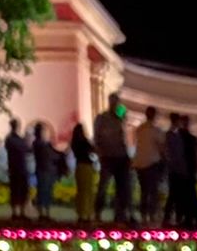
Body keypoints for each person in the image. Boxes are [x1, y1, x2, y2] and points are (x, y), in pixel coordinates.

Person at [92, 94, 132, 224]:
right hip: (108, 157)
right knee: (103, 187)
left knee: (122, 188)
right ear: (109, 102)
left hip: (121, 156)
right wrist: (100, 153)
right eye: (114, 102)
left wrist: (122, 116)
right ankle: (97, 212)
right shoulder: (102, 118)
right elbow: (97, 137)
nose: (116, 104)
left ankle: (120, 214)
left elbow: (124, 136)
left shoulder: (120, 118)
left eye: (117, 102)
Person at [133, 105, 166, 225]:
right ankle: (152, 216)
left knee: (144, 191)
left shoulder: (140, 129)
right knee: (153, 191)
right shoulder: (156, 131)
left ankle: (144, 216)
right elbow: (162, 147)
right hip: (152, 163)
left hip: (139, 163)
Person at [165, 113, 197, 226]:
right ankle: (179, 218)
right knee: (177, 195)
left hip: (182, 170)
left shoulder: (177, 136)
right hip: (180, 171)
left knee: (177, 195)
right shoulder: (176, 136)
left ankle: (179, 217)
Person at [32, 122, 65, 221]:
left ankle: (44, 212)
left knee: (45, 191)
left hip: (44, 169)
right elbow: (49, 155)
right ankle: (43, 213)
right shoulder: (41, 144)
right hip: (45, 170)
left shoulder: (38, 144)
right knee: (44, 191)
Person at [69, 123, 98, 222]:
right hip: (86, 166)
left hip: (79, 166)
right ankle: (88, 213)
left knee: (81, 191)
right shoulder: (84, 141)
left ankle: (81, 213)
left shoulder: (74, 142)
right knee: (88, 191)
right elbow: (93, 149)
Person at [4, 118, 31, 220]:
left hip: (21, 167)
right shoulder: (11, 139)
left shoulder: (18, 139)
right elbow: (23, 148)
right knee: (15, 190)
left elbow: (28, 149)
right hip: (15, 167)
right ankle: (15, 212)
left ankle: (22, 212)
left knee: (22, 190)